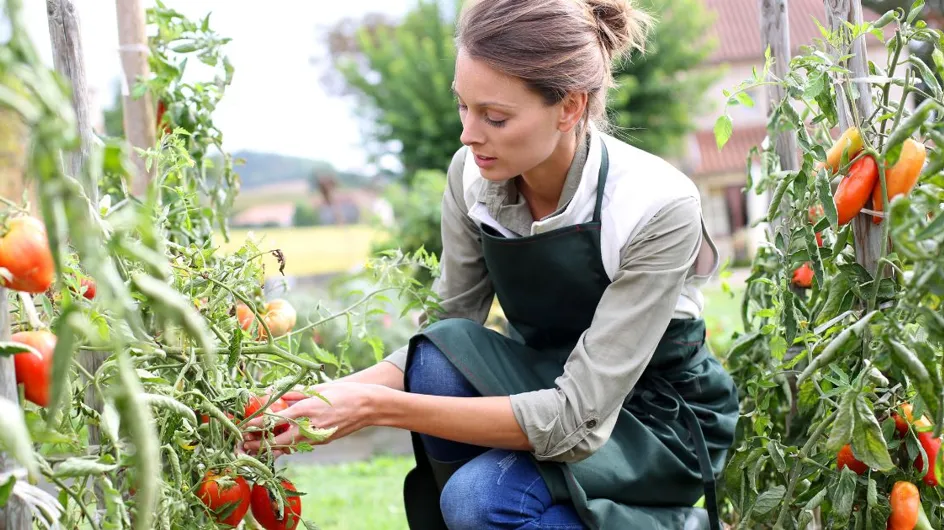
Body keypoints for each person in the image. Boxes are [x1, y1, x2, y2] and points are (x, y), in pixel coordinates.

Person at [240, 0, 739, 528]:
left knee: (478, 500)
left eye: (495, 117)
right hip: (547, 383)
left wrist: (372, 408)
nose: (468, 134)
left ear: (570, 107)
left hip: (655, 421)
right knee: (436, 357)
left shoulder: (656, 205)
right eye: (463, 107)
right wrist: (318, 399)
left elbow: (576, 418)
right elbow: (444, 335)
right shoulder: (472, 178)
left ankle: (670, 523)